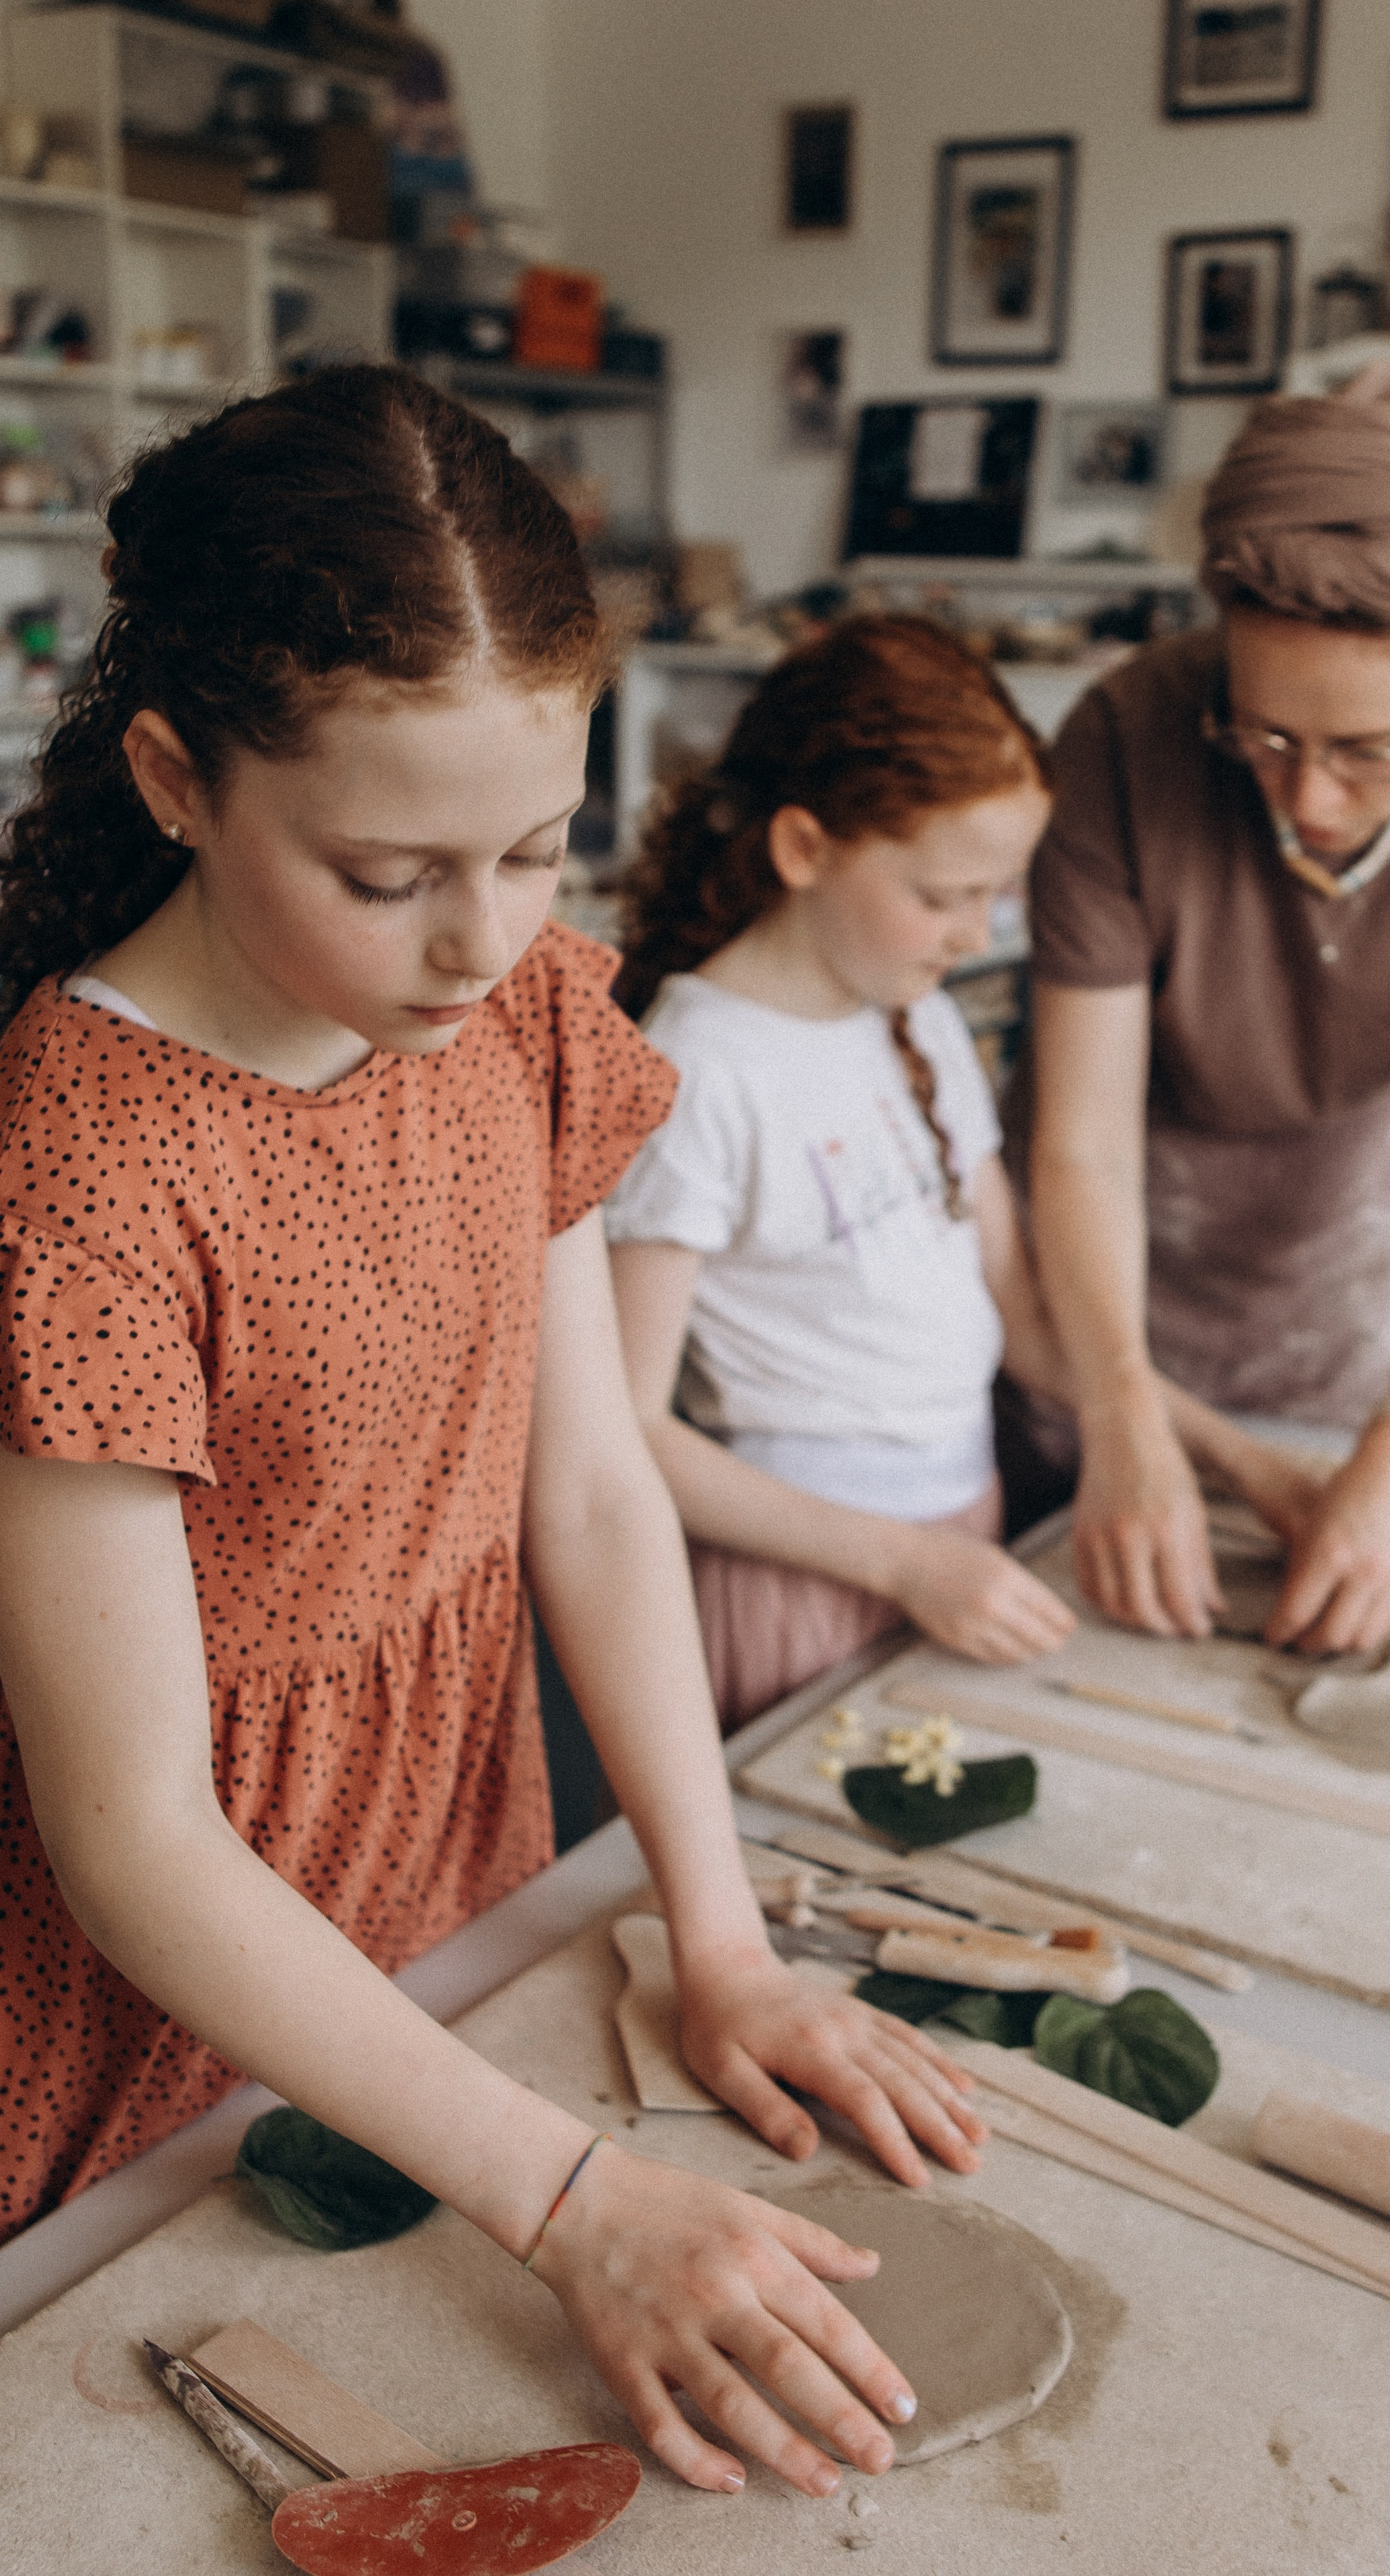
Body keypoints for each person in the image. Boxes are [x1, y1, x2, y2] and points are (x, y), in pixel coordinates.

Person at [0, 368, 987, 2502]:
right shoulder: (82, 1162)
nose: (479, 940)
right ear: (175, 776)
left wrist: (713, 1937)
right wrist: (575, 2210)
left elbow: (598, 1488)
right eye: (385, 871)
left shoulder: (515, 1015)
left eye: (536, 848)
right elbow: (138, 1838)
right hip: (178, 1968)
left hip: (454, 1859)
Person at [1012, 363, 1390, 1658]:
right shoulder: (1126, 739)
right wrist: (1121, 1410)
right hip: (1115, 1257)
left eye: (1369, 753)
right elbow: (1084, 1142)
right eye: (1269, 737)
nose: (1311, 804)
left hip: (1351, 1244)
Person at [604, 617, 1079, 1733]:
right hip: (804, 1575)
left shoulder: (919, 1014)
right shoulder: (696, 1072)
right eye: (944, 894)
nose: (978, 932)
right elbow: (623, 1436)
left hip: (963, 1526)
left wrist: (1196, 1452)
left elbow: (1022, 1308)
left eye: (998, 894)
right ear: (805, 848)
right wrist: (906, 1564)